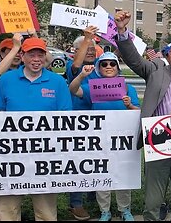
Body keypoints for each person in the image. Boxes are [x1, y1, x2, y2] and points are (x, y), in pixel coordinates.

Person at [114, 10, 171, 221]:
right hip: (158, 145)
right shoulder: (155, 71)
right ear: (170, 54)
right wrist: (121, 31)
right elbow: (135, 61)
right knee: (153, 205)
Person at [0, 37, 72, 221]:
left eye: (40, 55)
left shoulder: (57, 82)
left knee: (46, 212)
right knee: (8, 210)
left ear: (45, 57)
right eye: (31, 55)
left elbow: (67, 119)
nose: (36, 59)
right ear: (22, 56)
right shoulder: (6, 80)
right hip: (11, 157)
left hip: (45, 157)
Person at [69, 52, 139, 221]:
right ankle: (104, 211)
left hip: (123, 139)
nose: (108, 67)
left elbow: (138, 112)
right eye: (104, 64)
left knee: (123, 174)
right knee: (103, 174)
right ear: (99, 68)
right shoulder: (93, 86)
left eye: (112, 64)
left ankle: (125, 210)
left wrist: (130, 105)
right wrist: (83, 75)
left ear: (117, 67)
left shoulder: (128, 88)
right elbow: (73, 90)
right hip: (100, 137)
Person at [65, 26, 100, 221]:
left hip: (99, 122)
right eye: (86, 49)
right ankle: (76, 203)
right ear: (76, 52)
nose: (90, 52)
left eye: (93, 49)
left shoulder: (101, 67)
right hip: (79, 122)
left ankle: (94, 197)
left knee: (96, 159)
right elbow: (77, 67)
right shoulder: (75, 69)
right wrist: (87, 39)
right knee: (78, 162)